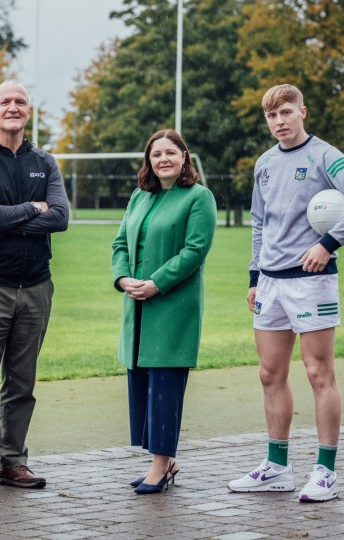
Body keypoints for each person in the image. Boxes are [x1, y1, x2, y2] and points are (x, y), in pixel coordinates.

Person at [227, 84, 344, 502]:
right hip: (271, 282)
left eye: (287, 112)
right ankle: (276, 467)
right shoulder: (264, 163)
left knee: (318, 374)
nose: (280, 122)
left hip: (312, 280)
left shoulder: (325, 155)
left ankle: (326, 472)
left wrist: (328, 245)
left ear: (303, 112)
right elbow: (259, 222)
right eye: (272, 116)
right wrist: (255, 277)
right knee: (269, 374)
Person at [0, 80, 69, 494]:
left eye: (20, 101)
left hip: (37, 285)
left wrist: (7, 214)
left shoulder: (45, 162)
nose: (13, 107)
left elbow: (60, 218)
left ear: (29, 111)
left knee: (22, 382)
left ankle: (13, 461)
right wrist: (31, 208)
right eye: (5, 101)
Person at [111, 129, 217, 495]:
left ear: (184, 157)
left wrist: (156, 282)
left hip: (172, 306)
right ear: (149, 161)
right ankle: (163, 462)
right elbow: (121, 242)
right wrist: (123, 277)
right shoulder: (140, 196)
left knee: (165, 386)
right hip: (137, 305)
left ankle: (160, 467)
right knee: (142, 383)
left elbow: (194, 251)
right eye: (156, 154)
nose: (163, 160)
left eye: (171, 152)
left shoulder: (199, 197)